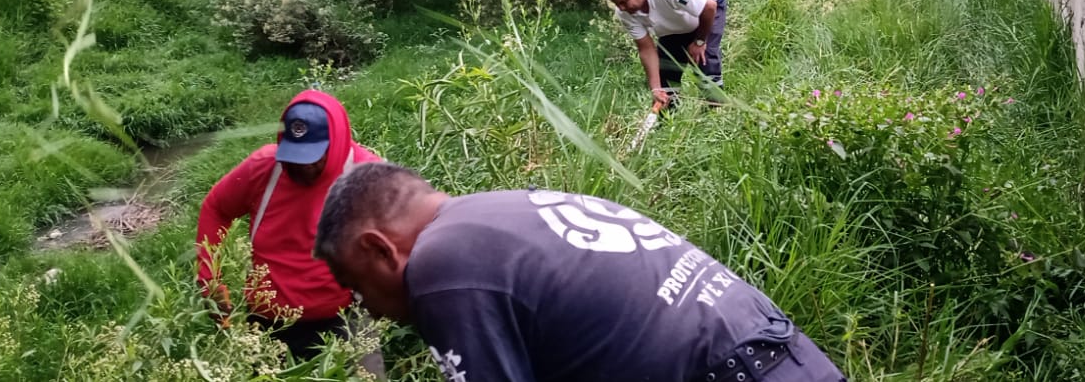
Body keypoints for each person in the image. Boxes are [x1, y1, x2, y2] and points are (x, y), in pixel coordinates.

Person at [313, 162, 849, 382]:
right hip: (782, 355)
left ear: (380, 249)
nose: (367, 308)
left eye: (357, 287)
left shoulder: (439, 266)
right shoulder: (499, 209)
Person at [197, 91, 383, 367]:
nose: (303, 166)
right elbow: (216, 208)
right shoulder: (264, 168)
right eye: (295, 156)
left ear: (338, 142)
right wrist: (210, 280)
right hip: (269, 324)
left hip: (345, 318)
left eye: (314, 157)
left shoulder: (367, 176)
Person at [603, 0, 727, 108]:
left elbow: (709, 7)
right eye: (618, 4)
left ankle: (717, 112)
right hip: (674, 26)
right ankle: (667, 119)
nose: (622, 8)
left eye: (624, 2)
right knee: (666, 75)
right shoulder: (624, 12)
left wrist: (699, 42)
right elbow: (646, 49)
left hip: (706, 10)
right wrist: (655, 88)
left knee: (704, 64)